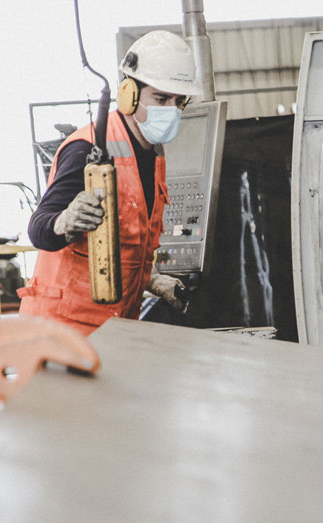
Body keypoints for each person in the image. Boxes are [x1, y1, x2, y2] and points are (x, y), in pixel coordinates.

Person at [20, 30, 198, 335]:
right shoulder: (86, 149)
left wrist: (152, 280)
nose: (171, 110)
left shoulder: (153, 155)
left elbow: (130, 246)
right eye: (161, 98)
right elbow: (39, 228)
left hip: (114, 331)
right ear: (129, 93)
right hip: (62, 333)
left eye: (178, 101)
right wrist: (65, 221)